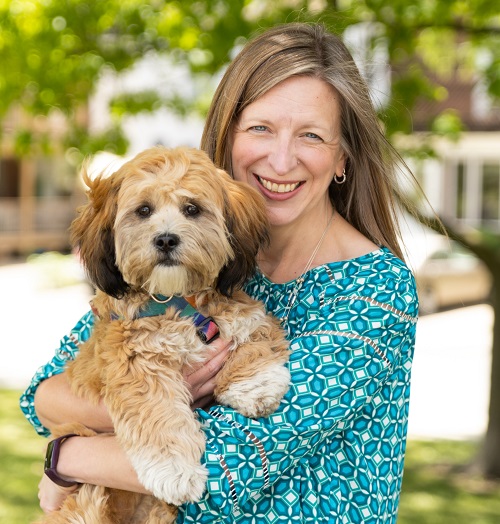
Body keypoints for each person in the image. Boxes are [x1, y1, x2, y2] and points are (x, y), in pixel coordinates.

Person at [20, 22, 419, 523]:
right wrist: (152, 404)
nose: (281, 158)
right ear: (228, 135)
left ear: (343, 157)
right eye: (260, 128)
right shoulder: (193, 269)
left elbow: (226, 468)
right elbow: (43, 397)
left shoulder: (374, 290)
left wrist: (67, 459)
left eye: (311, 136)